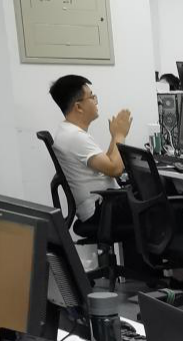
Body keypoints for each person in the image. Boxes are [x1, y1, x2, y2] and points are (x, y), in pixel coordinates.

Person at [48, 75, 131, 229]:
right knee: (161, 195)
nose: (96, 101)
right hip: (103, 210)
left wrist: (114, 136)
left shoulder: (67, 131)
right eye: (92, 97)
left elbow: (107, 165)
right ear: (79, 107)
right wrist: (120, 135)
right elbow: (115, 170)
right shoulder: (75, 137)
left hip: (103, 205)